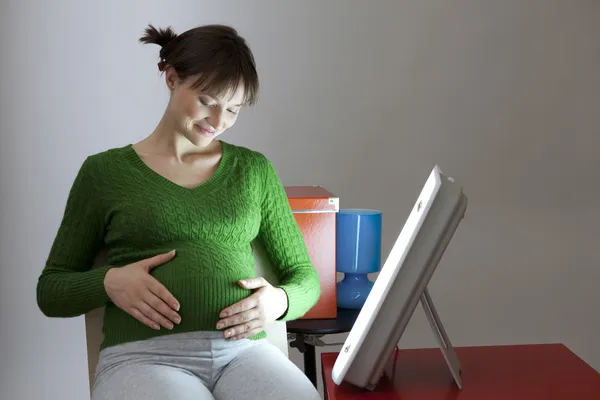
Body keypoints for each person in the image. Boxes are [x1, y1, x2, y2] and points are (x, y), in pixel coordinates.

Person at [36, 23, 322, 400]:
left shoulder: (253, 171)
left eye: (233, 109)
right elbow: (51, 290)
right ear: (172, 78)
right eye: (208, 100)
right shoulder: (104, 173)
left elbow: (305, 278)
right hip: (142, 360)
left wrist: (281, 301)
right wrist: (108, 282)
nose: (219, 121)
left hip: (242, 354)